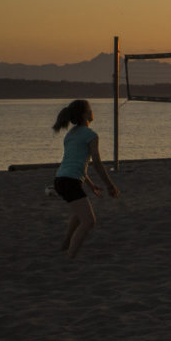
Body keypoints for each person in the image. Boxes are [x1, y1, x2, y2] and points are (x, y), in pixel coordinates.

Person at [51, 100, 119, 259]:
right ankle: (70, 257)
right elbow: (96, 162)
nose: (92, 111)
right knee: (89, 222)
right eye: (90, 109)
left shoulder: (70, 134)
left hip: (60, 179)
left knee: (79, 214)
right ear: (84, 115)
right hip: (69, 181)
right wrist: (110, 185)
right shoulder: (91, 135)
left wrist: (90, 184)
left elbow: (75, 163)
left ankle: (66, 245)